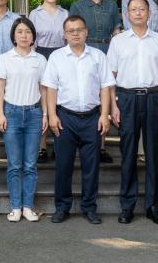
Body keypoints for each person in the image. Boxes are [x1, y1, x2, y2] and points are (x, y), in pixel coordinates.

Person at [107, 0, 158, 225]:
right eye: (133, 9)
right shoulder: (118, 41)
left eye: (142, 9)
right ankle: (127, 206)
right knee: (128, 154)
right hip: (126, 99)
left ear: (149, 13)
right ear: (127, 14)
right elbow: (110, 78)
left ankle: (153, 206)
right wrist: (114, 105)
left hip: (154, 98)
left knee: (154, 154)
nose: (138, 13)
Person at [42, 15, 115, 225]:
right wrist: (52, 115)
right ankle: (62, 207)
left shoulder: (98, 56)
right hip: (65, 117)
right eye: (71, 31)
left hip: (92, 118)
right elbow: (50, 88)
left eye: (79, 30)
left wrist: (104, 115)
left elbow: (105, 87)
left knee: (91, 166)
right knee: (63, 166)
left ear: (86, 32)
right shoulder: (56, 57)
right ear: (64, 35)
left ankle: (89, 207)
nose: (75, 34)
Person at [0, 17, 47, 223]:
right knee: (15, 165)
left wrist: (45, 114)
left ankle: (28, 207)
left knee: (30, 164)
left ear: (33, 36)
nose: (24, 35)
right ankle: (15, 207)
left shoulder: (40, 60)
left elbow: (44, 90)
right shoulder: (5, 58)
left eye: (28, 31)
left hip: (34, 113)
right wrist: (0, 113)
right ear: (14, 36)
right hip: (12, 113)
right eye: (20, 32)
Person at [69, 0, 121, 164]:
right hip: (85, 51)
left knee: (104, 96)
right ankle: (85, 143)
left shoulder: (111, 5)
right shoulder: (77, 6)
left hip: (108, 51)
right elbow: (72, 31)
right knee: (89, 95)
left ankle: (101, 146)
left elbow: (116, 31)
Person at [28, 0, 66, 164]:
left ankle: (60, 146)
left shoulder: (65, 13)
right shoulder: (34, 14)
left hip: (61, 56)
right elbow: (30, 40)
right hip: (41, 55)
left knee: (60, 101)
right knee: (43, 101)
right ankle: (41, 147)